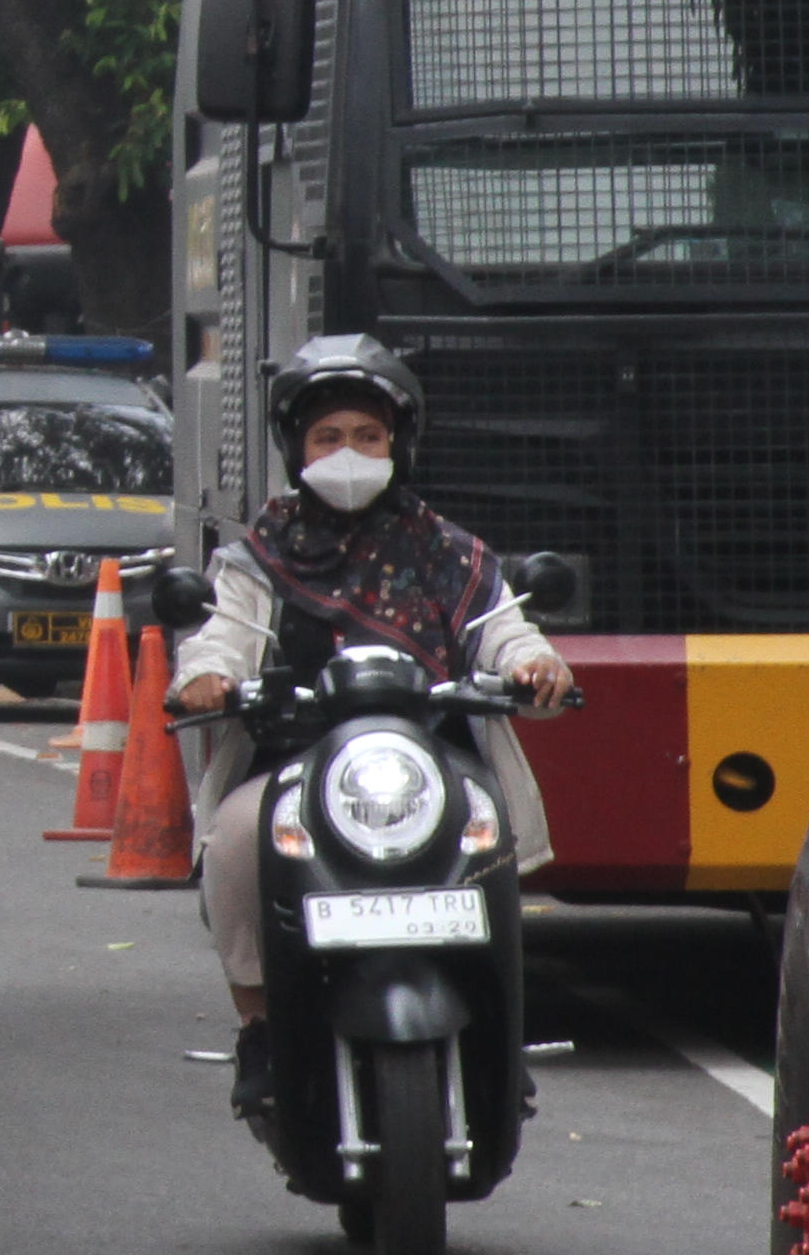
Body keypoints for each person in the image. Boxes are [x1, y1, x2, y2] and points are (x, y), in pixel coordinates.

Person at [163, 334, 571, 1122]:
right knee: (237, 844)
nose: (347, 453)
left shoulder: (452, 553)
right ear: (297, 450)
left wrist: (535, 665)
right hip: (296, 765)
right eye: (327, 437)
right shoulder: (258, 560)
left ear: (397, 445)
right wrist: (203, 678)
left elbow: (505, 630)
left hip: (432, 766)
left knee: (488, 845)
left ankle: (499, 1029)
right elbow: (221, 637)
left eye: (366, 436)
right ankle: (260, 1032)